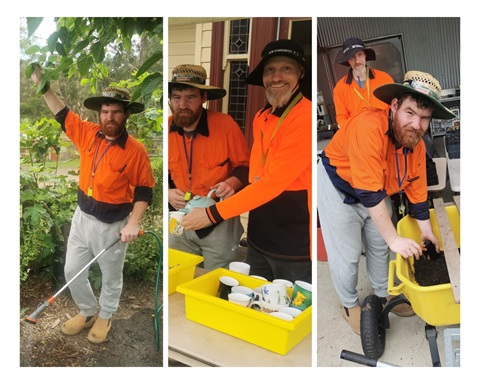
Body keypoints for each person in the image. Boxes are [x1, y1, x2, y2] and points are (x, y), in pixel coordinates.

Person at [318, 70, 456, 334]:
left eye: (425, 118)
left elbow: (416, 189)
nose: (417, 125)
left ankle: (385, 294)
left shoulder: (417, 143)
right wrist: (395, 239)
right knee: (347, 256)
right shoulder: (367, 128)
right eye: (410, 113)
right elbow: (369, 193)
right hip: (340, 187)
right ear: (394, 106)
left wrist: (426, 231)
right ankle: (349, 305)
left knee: (380, 247)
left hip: (376, 191)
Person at [30, 66, 155, 344]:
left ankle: (106, 315)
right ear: (99, 114)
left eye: (116, 112)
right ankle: (87, 311)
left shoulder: (136, 151)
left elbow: (144, 190)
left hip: (112, 226)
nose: (109, 117)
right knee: (72, 270)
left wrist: (133, 223)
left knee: (111, 276)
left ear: (126, 114)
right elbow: (61, 113)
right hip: (81, 218)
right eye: (105, 111)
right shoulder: (87, 133)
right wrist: (43, 84)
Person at [182, 39, 312, 283]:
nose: (276, 77)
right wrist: (233, 186)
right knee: (256, 302)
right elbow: (256, 176)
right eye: (270, 69)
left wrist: (212, 214)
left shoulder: (303, 116)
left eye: (286, 69)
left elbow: (272, 184)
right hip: (259, 233)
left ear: (300, 73)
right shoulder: (262, 116)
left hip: (294, 240)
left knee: (287, 308)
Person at [168, 64, 250, 270]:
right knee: (179, 275)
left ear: (204, 98)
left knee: (215, 280)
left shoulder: (226, 125)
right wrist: (168, 193)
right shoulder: (167, 129)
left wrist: (232, 182)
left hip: (219, 218)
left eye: (190, 97)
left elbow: (246, 167)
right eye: (177, 97)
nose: (182, 104)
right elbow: (166, 173)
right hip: (179, 219)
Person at [333, 37, 394, 128]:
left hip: (385, 130)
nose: (357, 61)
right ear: (348, 60)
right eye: (352, 57)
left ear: (365, 56)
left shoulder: (384, 78)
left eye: (360, 55)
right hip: (359, 135)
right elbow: (341, 117)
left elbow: (395, 106)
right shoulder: (339, 88)